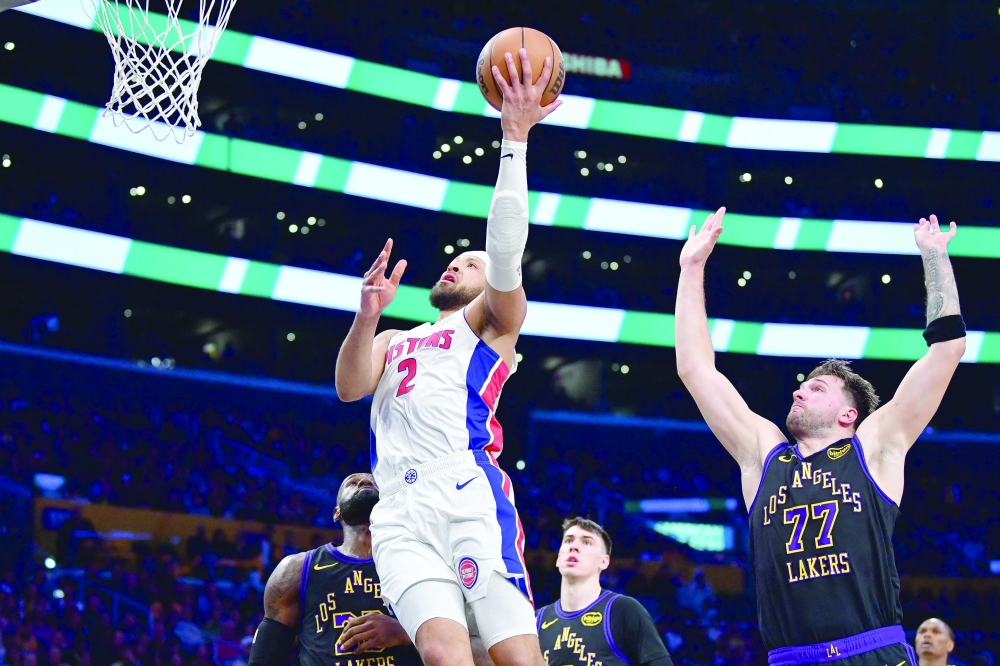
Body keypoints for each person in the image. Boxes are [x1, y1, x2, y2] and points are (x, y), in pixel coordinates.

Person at [335, 49, 562, 666]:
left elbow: (506, 252)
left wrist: (513, 139)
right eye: (454, 259)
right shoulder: (394, 338)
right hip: (398, 507)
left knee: (515, 658)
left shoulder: (491, 324)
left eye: (471, 262)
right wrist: (367, 314)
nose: (457, 263)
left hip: (464, 487)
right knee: (442, 655)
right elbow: (350, 387)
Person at [675, 210, 967, 666]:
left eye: (817, 388)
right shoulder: (763, 455)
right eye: (802, 385)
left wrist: (934, 256)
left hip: (871, 651)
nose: (799, 390)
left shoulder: (873, 447)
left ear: (849, 414)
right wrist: (691, 269)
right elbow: (695, 369)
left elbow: (948, 348)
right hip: (790, 657)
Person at [247, 473, 421, 666]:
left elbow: (456, 643)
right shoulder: (297, 570)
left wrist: (404, 633)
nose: (364, 482)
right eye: (352, 483)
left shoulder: (418, 563)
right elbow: (263, 660)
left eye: (375, 482)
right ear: (336, 512)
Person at [534, 518, 673, 666]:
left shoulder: (623, 610)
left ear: (604, 561)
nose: (574, 546)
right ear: (558, 559)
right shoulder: (535, 620)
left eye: (586, 542)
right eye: (568, 541)